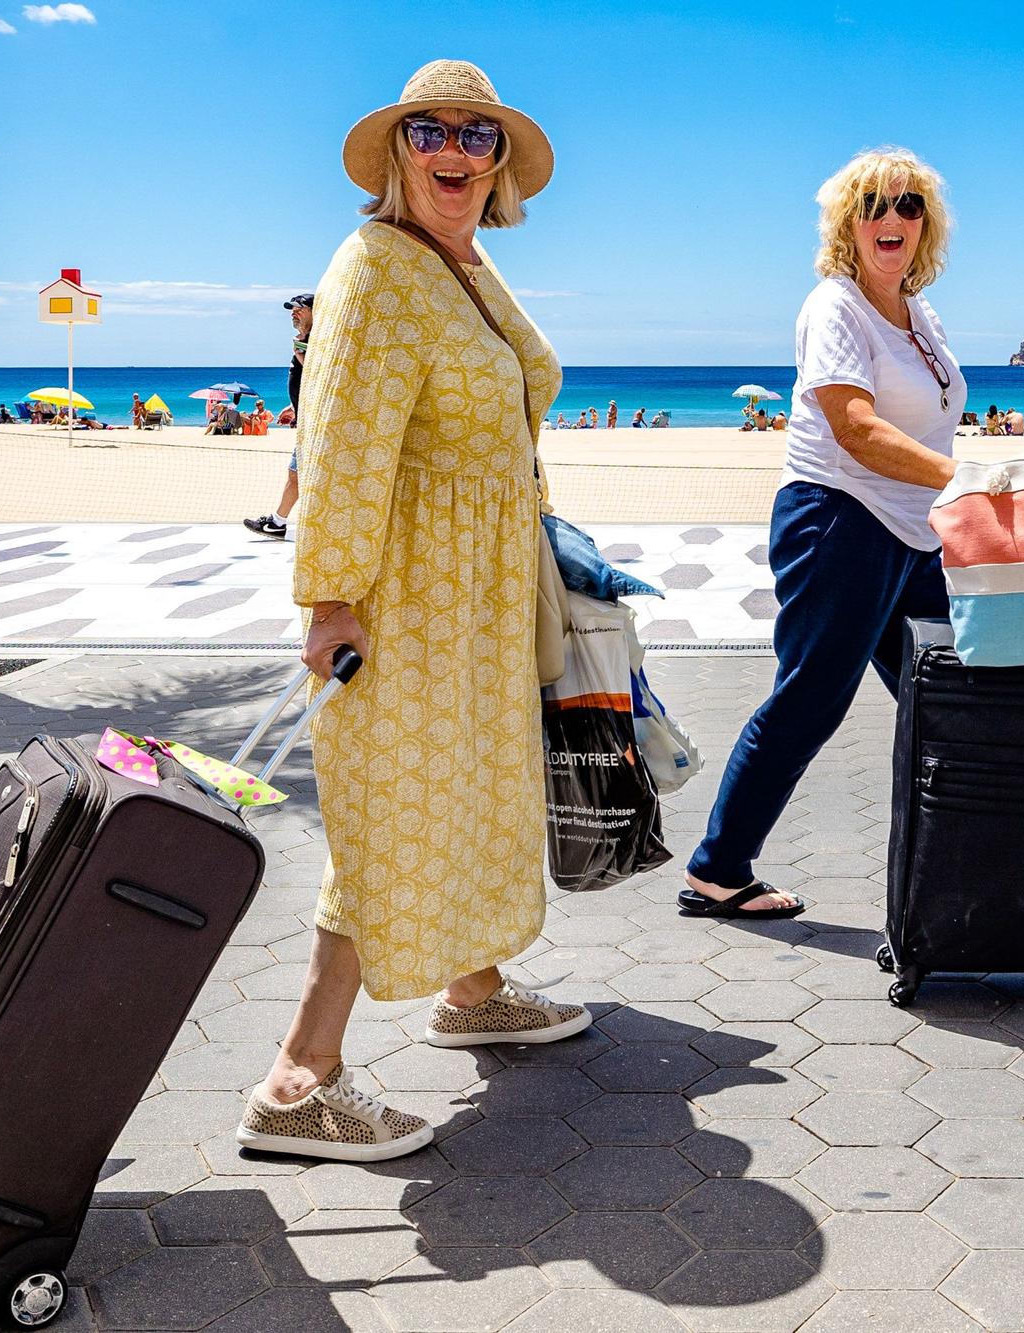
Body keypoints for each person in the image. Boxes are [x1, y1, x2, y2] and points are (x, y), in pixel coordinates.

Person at [235, 59, 588, 1164]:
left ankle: (471, 983)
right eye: (429, 131)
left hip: (479, 588)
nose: (454, 151)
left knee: (473, 787)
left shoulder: (466, 265)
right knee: (389, 809)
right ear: (399, 153)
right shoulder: (377, 268)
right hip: (408, 595)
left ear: (497, 165)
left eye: (476, 137)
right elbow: (336, 446)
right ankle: (300, 1076)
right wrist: (330, 598)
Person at [684, 147, 963, 923]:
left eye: (910, 206)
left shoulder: (921, 314)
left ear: (926, 226)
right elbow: (856, 430)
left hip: (913, 535)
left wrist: (959, 493)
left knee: (948, 696)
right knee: (812, 696)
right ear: (849, 219)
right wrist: (962, 481)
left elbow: (927, 423)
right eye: (875, 202)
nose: (893, 218)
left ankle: (978, 855)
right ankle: (718, 867)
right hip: (837, 521)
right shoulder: (835, 306)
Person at [244, 296, 316, 538]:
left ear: (313, 311)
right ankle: (277, 522)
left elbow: (322, 374)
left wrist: (300, 356)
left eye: (298, 309)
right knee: (296, 474)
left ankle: (279, 522)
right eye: (291, 310)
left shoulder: (318, 339)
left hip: (315, 422)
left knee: (298, 474)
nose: (293, 313)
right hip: (307, 417)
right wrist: (294, 406)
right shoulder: (305, 340)